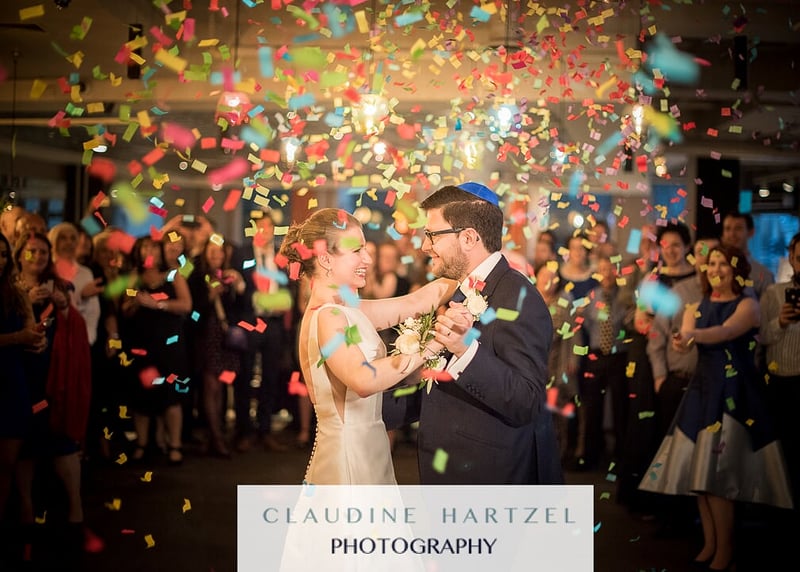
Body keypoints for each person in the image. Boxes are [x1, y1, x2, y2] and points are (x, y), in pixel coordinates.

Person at [385, 182, 564, 485]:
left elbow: (527, 401)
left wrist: (465, 349)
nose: (425, 246)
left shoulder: (519, 298)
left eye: (432, 235)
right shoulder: (460, 292)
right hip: (451, 469)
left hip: (491, 479)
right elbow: (443, 388)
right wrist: (366, 413)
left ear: (468, 238)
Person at [639, 244, 792, 571]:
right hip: (703, 392)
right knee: (700, 478)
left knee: (719, 479)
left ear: (737, 269)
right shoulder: (695, 306)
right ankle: (710, 544)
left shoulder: (748, 304)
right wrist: (682, 341)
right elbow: (688, 341)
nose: (716, 269)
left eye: (723, 263)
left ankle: (727, 549)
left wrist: (692, 336)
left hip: (734, 393)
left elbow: (725, 332)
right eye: (711, 264)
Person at [278, 208, 455, 485]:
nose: (368, 259)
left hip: (368, 448)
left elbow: (416, 303)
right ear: (325, 259)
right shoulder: (328, 316)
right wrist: (433, 345)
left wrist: (473, 272)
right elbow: (363, 379)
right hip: (349, 459)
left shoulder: (345, 310)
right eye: (357, 250)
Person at [0, 233, 46, 523]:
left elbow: (32, 330)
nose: (0, 260)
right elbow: (21, 335)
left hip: (12, 380)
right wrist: (19, 337)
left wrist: (38, 339)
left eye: (3, 254)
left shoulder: (14, 292)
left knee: (6, 464)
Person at [760, 231, 800, 516]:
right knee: (781, 455)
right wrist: (780, 322)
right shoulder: (774, 293)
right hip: (779, 384)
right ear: (792, 259)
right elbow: (760, 336)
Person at [721, 211, 774, 298]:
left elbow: (767, 306)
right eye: (727, 229)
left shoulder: (763, 275)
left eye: (738, 228)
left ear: (751, 232)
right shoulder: (713, 271)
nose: (732, 234)